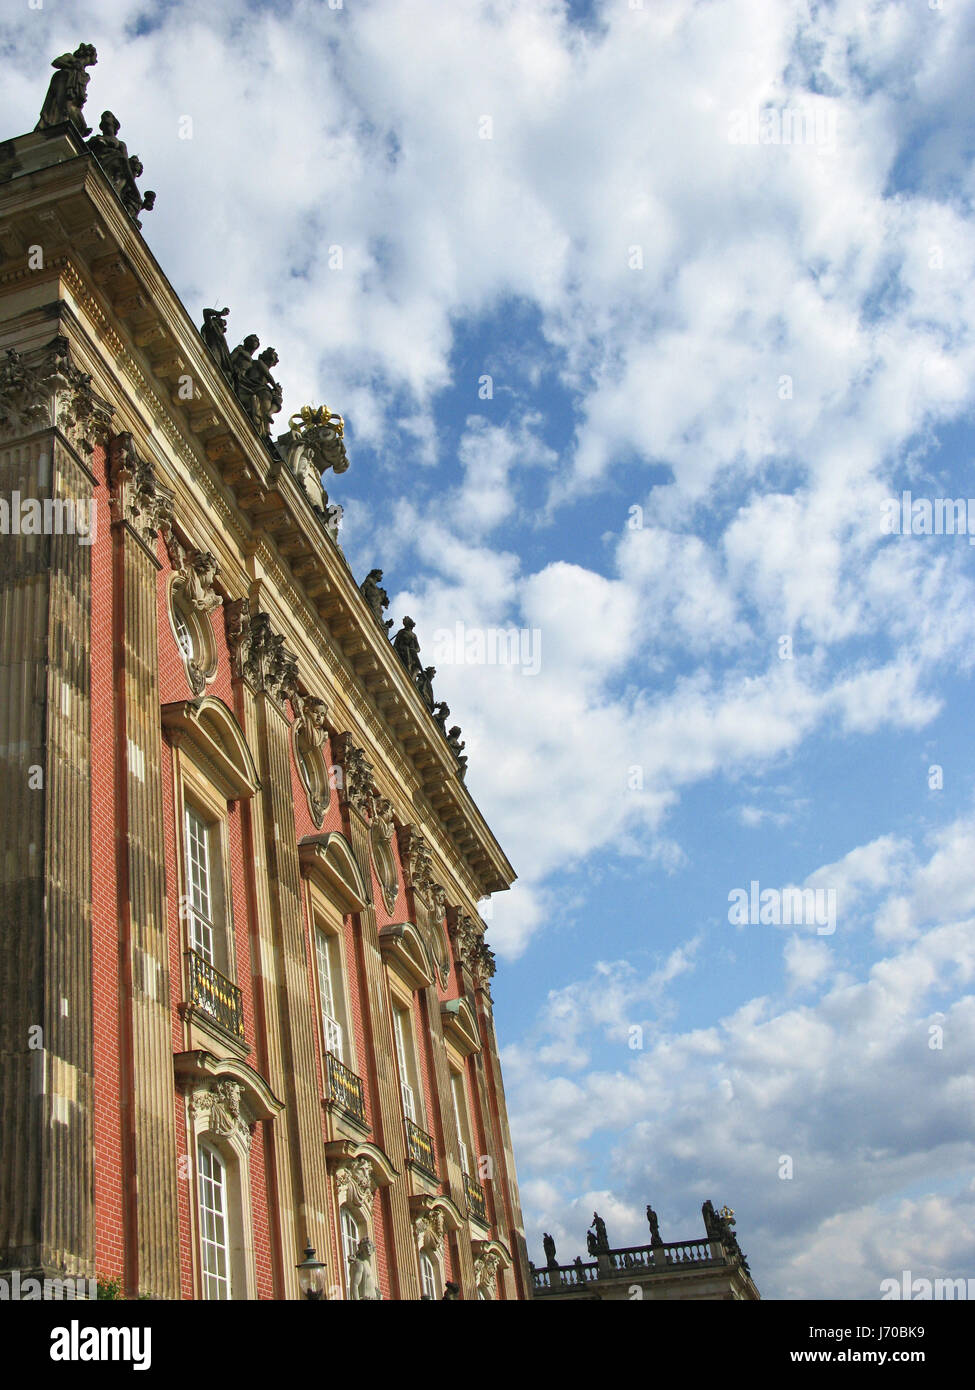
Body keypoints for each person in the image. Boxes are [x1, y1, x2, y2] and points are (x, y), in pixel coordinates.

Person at [36, 44, 98, 135]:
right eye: (95, 57)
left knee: (75, 116)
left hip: (73, 96)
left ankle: (77, 130)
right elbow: (56, 62)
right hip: (62, 85)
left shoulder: (85, 75)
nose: (96, 61)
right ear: (89, 55)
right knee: (61, 108)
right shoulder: (70, 58)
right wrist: (71, 65)